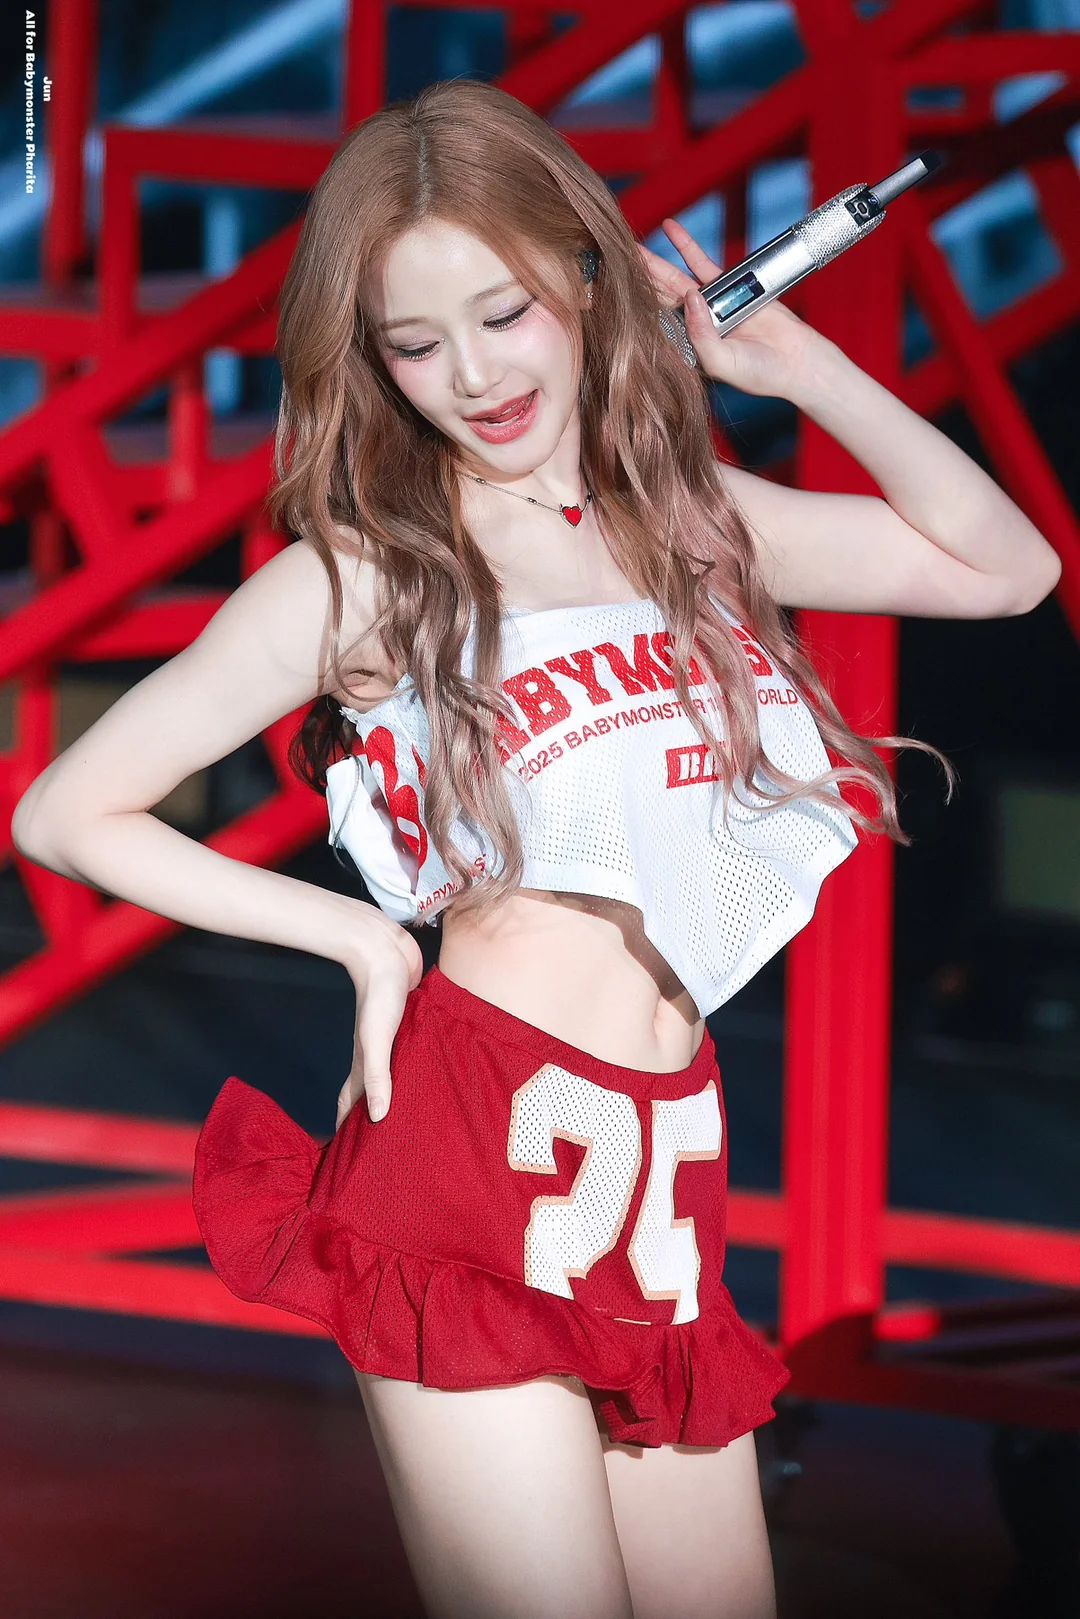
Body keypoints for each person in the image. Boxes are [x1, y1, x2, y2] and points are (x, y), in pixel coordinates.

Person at [11, 77, 1059, 1619]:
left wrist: (800, 366)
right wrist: (360, 937)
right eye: (415, 342)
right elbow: (65, 808)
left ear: (584, 276)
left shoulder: (685, 518)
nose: (475, 375)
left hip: (659, 1174)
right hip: (468, 1156)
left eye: (503, 313)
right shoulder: (368, 572)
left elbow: (1007, 569)